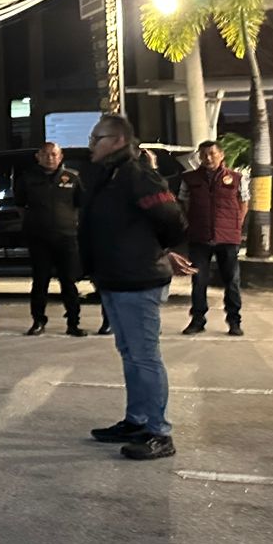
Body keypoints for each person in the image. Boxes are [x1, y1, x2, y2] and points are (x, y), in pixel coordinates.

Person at [81, 115, 195, 460]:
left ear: (117, 141)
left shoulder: (138, 175)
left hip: (137, 278)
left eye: (97, 138)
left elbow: (172, 218)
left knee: (145, 357)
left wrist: (157, 249)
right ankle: (137, 421)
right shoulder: (109, 175)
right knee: (131, 354)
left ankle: (159, 433)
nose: (91, 144)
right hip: (114, 277)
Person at [15, 142, 87, 337]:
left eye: (54, 154)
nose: (50, 158)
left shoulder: (72, 177)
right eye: (45, 154)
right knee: (40, 282)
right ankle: (38, 321)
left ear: (60, 157)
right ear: (38, 156)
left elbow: (80, 205)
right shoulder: (27, 178)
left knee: (69, 282)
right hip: (39, 239)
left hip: (66, 238)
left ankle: (73, 322)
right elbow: (21, 206)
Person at [179, 139, 248, 337]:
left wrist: (235, 225)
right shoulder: (189, 178)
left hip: (228, 238)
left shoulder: (236, 178)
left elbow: (244, 202)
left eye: (212, 154)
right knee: (199, 280)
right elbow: (184, 203)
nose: (208, 158)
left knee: (231, 281)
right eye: (203, 155)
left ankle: (234, 321)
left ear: (221, 155)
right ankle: (197, 320)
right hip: (199, 237)